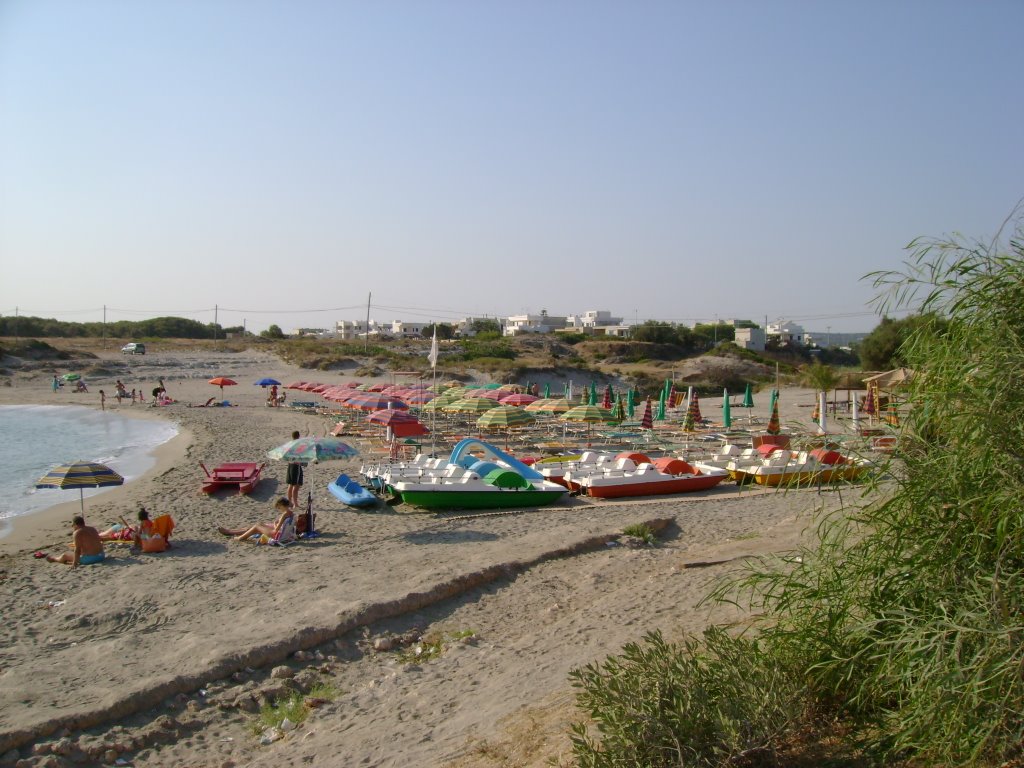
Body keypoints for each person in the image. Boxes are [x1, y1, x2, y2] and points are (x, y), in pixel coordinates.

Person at [218, 498, 295, 543]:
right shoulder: (291, 513)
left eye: (279, 507)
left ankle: (239, 538)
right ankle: (230, 531)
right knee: (258, 525)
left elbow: (276, 529)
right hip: (284, 534)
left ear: (281, 505)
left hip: (276, 535)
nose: (279, 509)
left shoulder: (284, 514)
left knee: (256, 526)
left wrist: (275, 523)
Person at [286, 430, 304, 508]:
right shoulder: (298, 445)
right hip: (296, 466)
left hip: (290, 465)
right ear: (298, 436)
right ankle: (295, 504)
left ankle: (290, 502)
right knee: (296, 486)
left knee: (290, 485)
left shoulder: (290, 444)